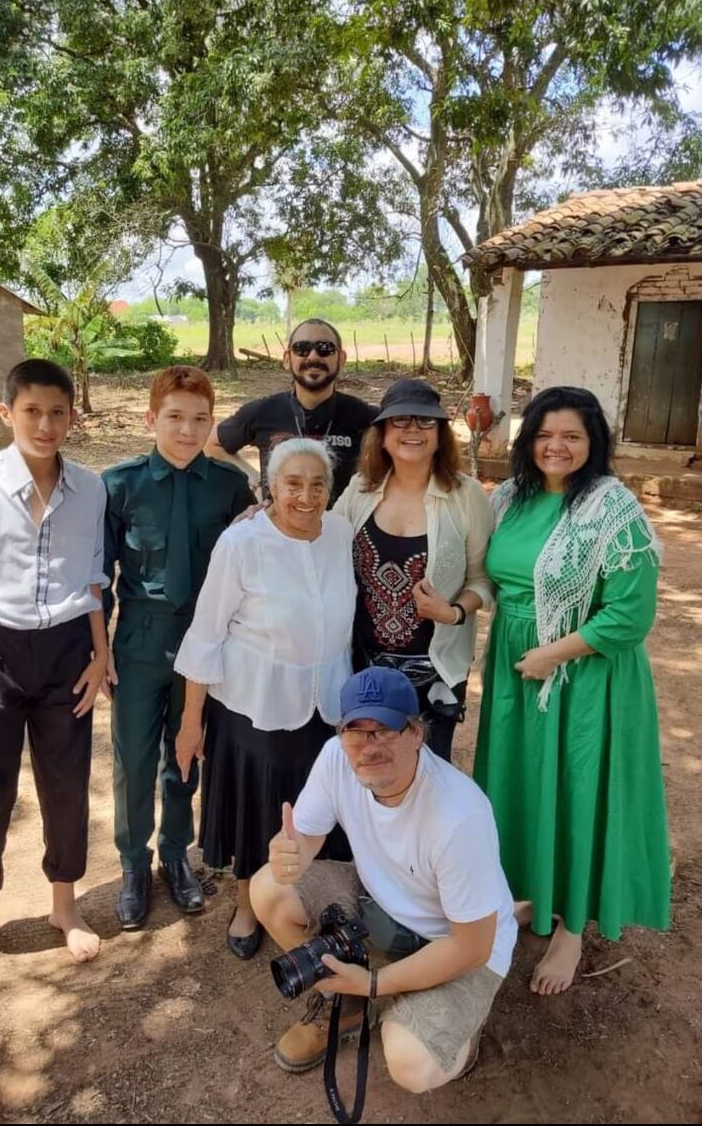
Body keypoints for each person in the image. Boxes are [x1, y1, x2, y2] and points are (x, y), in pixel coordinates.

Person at [473, 386, 671, 996]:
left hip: (584, 676)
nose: (556, 447)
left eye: (572, 437)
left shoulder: (613, 509)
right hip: (517, 668)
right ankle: (534, 889)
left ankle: (573, 926)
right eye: (544, 435)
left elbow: (631, 616)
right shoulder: (510, 498)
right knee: (522, 784)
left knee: (578, 789)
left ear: (593, 444)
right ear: (528, 440)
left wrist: (555, 652)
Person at [250, 667, 517, 1091]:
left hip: (456, 941)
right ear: (341, 734)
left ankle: (457, 1036)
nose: (368, 747)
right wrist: (289, 855)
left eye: (385, 730)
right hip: (379, 902)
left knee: (412, 1063)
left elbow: (473, 945)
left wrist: (376, 981)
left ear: (417, 733)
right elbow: (305, 838)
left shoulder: (459, 814)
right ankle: (349, 1003)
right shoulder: (336, 757)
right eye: (356, 731)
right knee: (268, 888)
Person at [0, 359, 109, 990]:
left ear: (71, 417)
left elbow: (92, 579)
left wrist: (100, 653)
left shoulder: (91, 487)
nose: (45, 424)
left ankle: (65, 905)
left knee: (66, 783)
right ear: (7, 413)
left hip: (66, 652)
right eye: (31, 411)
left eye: (57, 412)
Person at [174, 438, 355, 960]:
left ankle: (317, 902)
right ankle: (248, 904)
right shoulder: (242, 543)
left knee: (319, 807)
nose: (305, 495)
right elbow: (206, 634)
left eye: (317, 484)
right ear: (269, 488)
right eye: (291, 484)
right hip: (257, 704)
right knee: (261, 809)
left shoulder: (340, 532)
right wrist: (192, 722)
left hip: (327, 701)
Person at [103, 367, 256, 930]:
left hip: (208, 638)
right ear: (150, 419)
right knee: (134, 758)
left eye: (199, 419)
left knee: (187, 751)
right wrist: (100, 649)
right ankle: (133, 864)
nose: (188, 431)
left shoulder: (228, 486)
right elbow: (100, 575)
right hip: (141, 638)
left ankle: (175, 854)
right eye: (174, 417)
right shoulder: (118, 485)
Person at [333, 379, 494, 761]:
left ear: (440, 435)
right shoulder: (360, 489)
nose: (413, 430)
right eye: (400, 421)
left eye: (425, 422)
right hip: (363, 668)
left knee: (427, 779)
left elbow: (483, 580)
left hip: (435, 670)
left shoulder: (465, 495)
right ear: (382, 436)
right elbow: (323, 546)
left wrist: (452, 612)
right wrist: (265, 515)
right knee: (368, 772)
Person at [206, 318, 377, 503]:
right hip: (275, 528)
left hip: (340, 528)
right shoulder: (263, 411)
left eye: (325, 348)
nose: (313, 357)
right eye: (301, 348)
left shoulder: (363, 415)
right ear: (287, 359)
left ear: (341, 359)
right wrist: (254, 479)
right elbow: (212, 445)